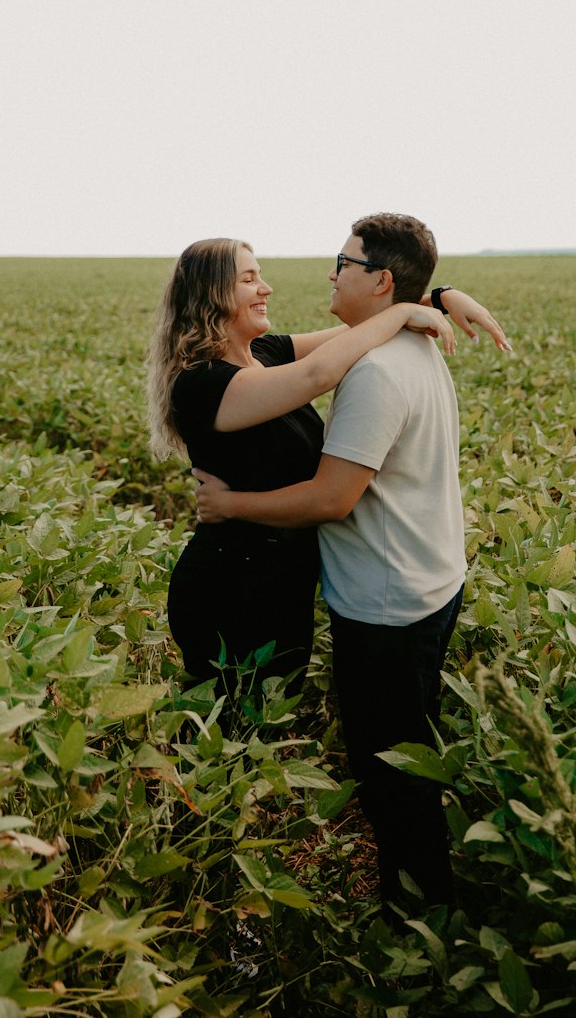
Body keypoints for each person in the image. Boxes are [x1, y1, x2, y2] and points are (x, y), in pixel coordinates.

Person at [195, 214, 498, 909]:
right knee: (410, 750)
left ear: (381, 281)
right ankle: (423, 899)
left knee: (389, 772)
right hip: (428, 580)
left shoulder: (377, 373)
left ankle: (417, 919)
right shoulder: (409, 345)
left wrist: (232, 505)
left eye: (343, 261)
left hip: (386, 603)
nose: (329, 273)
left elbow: (332, 498)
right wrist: (433, 300)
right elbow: (323, 360)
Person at [148, 236, 506, 701]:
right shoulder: (201, 385)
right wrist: (401, 312)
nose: (266, 288)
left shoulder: (267, 353)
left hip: (283, 583)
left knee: (265, 721)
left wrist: (437, 296)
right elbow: (319, 374)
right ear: (211, 292)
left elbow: (357, 331)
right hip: (232, 586)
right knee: (231, 730)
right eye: (249, 279)